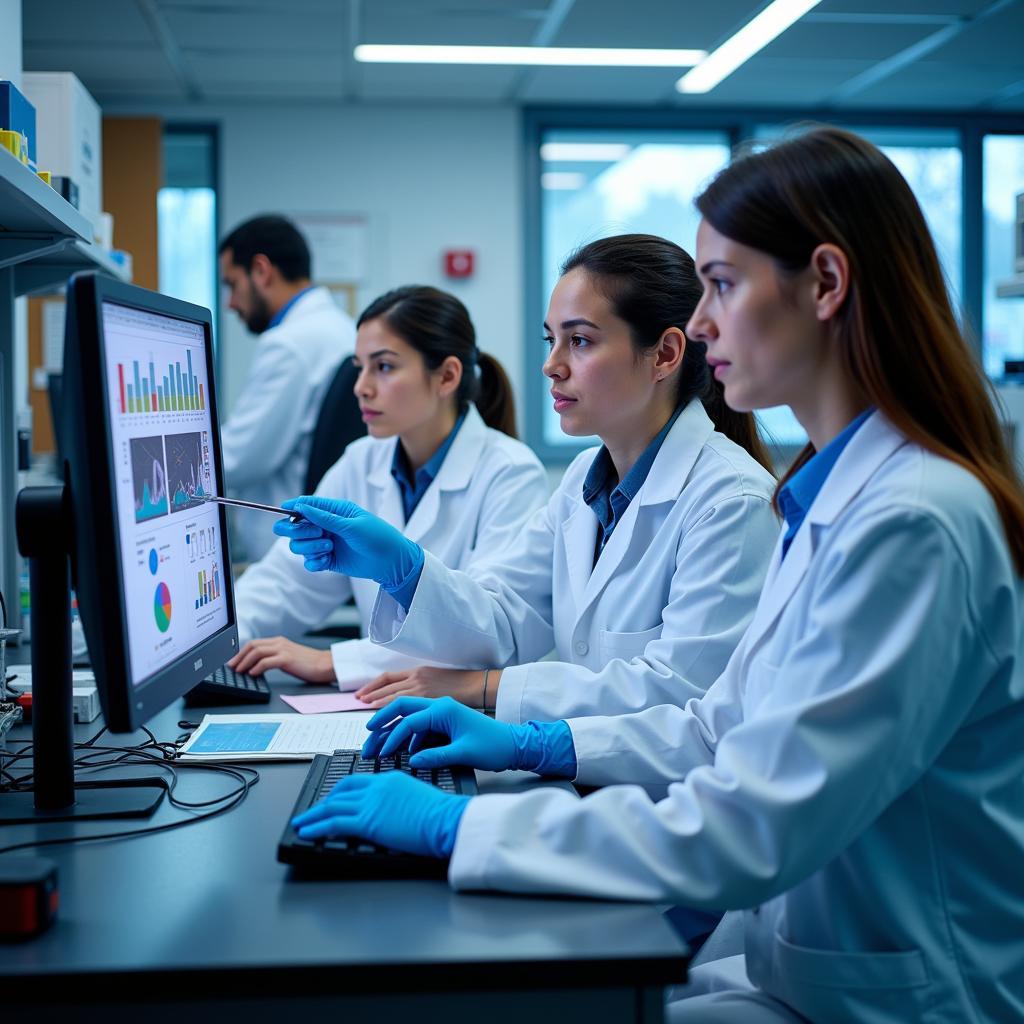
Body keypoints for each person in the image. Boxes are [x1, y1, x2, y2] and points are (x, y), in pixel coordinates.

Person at [286, 128, 1024, 1022]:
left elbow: (752, 821)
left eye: (722, 284)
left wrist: (463, 823)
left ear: (826, 285)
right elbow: (722, 728)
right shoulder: (830, 498)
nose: (704, 321)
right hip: (796, 958)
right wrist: (529, 740)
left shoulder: (907, 520)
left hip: (890, 996)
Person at [320, 234, 780, 723]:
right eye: (551, 339)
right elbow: (504, 618)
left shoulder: (730, 500)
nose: (551, 365)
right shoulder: (584, 482)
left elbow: (678, 695)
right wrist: (404, 572)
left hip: (667, 792)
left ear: (665, 354)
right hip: (589, 775)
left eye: (579, 341)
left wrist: (483, 689)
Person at [228, 285, 547, 690]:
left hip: (462, 714)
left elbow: (490, 635)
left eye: (383, 367)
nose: (361, 386)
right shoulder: (361, 461)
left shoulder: (511, 474)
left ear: (447, 375)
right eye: (359, 366)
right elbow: (286, 583)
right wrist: (225, 636)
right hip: (378, 700)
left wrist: (333, 661)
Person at [219, 214, 355, 559]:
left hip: (282, 547)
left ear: (262, 270)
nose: (231, 303)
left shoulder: (290, 344)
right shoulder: (338, 327)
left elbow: (238, 458)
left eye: (232, 284)